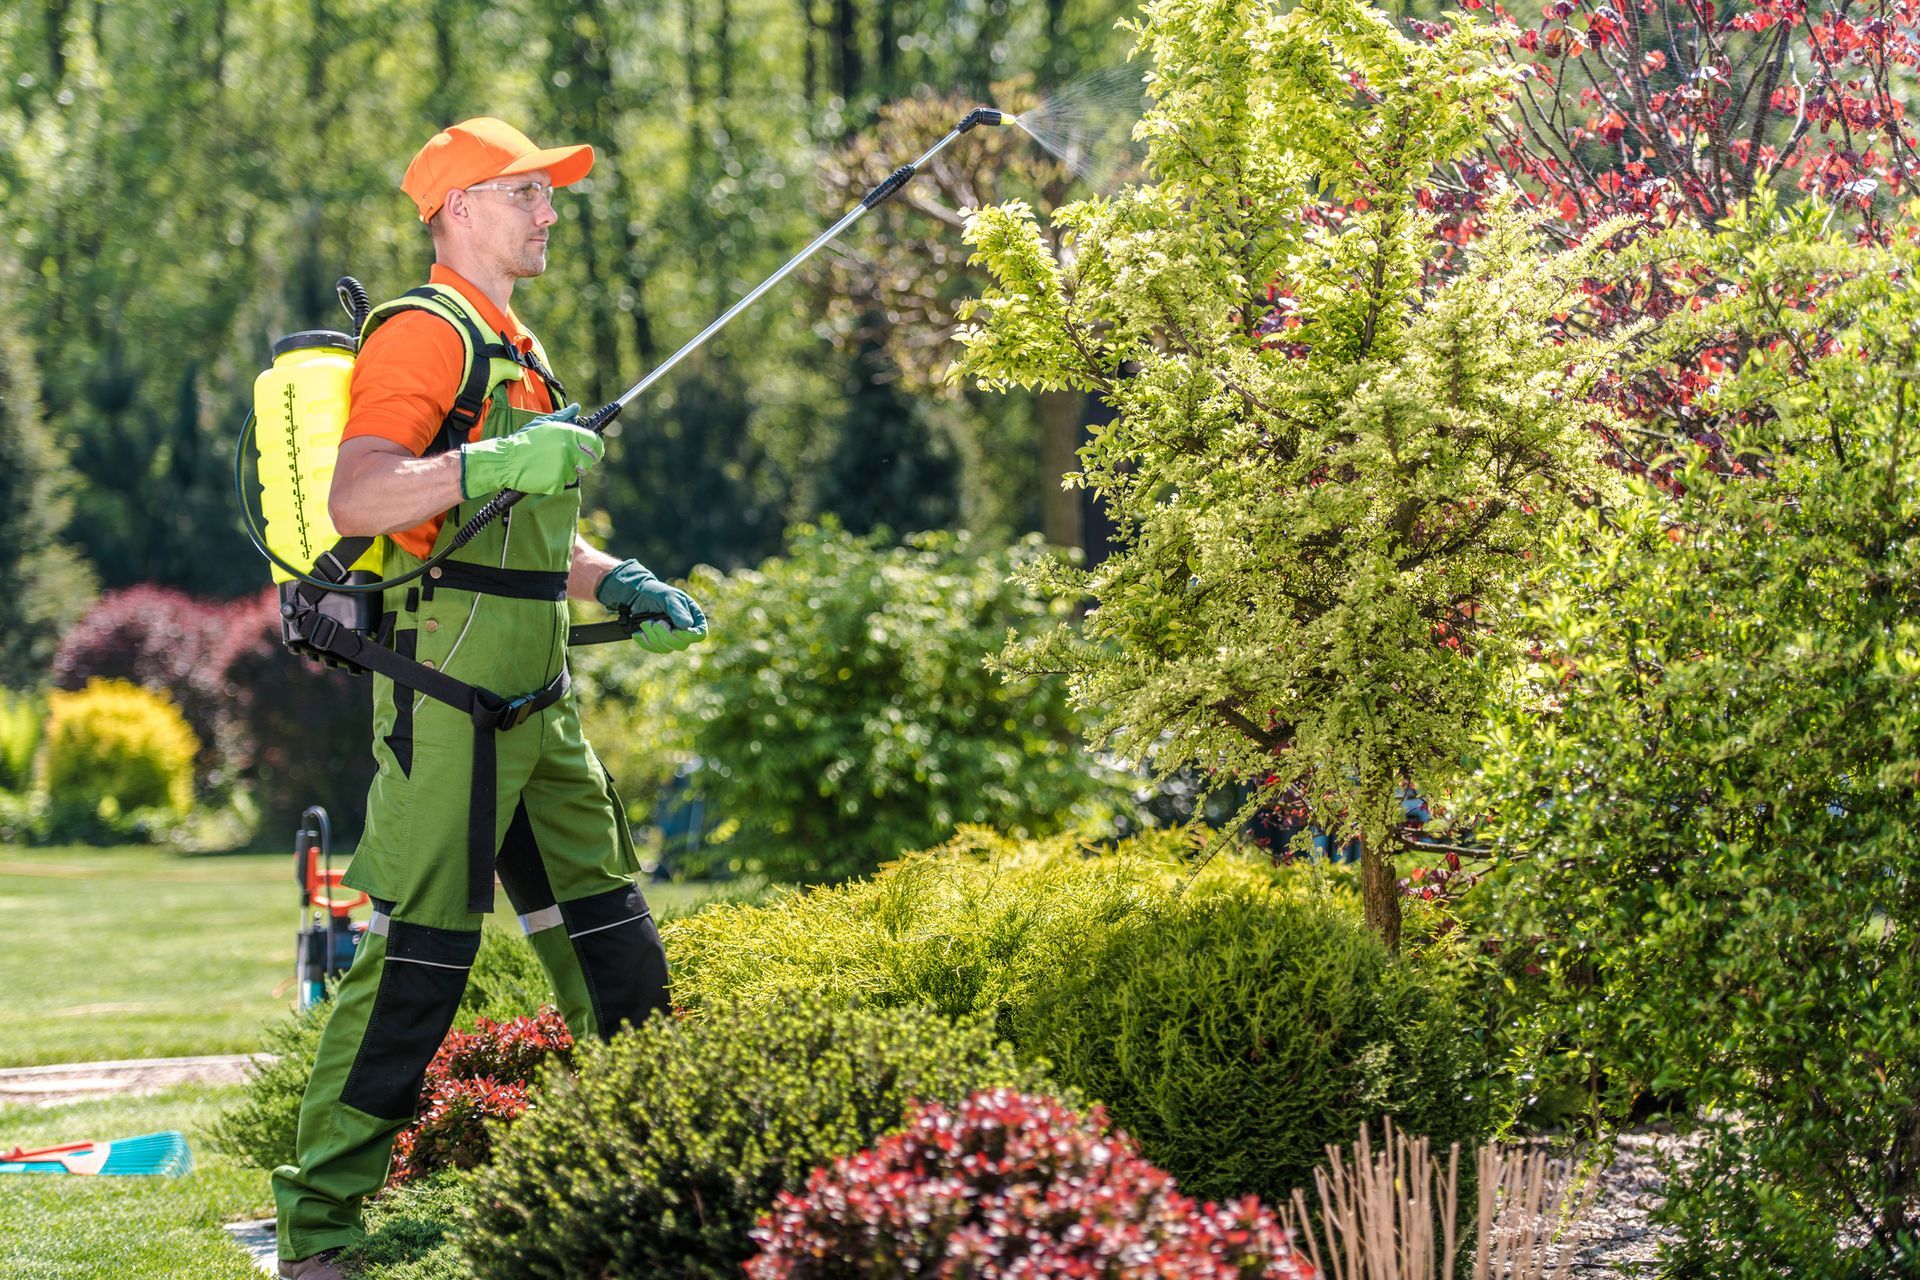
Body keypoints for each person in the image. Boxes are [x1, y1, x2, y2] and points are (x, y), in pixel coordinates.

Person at [271, 118, 708, 1280]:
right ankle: (318, 1229)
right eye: (528, 193)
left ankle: (661, 1177)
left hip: (540, 700)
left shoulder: (523, 344)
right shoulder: (427, 331)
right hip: (449, 698)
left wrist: (611, 572)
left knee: (615, 943)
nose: (550, 212)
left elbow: (502, 534)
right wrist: (498, 461)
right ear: (460, 206)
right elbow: (363, 495)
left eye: (550, 194)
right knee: (420, 960)